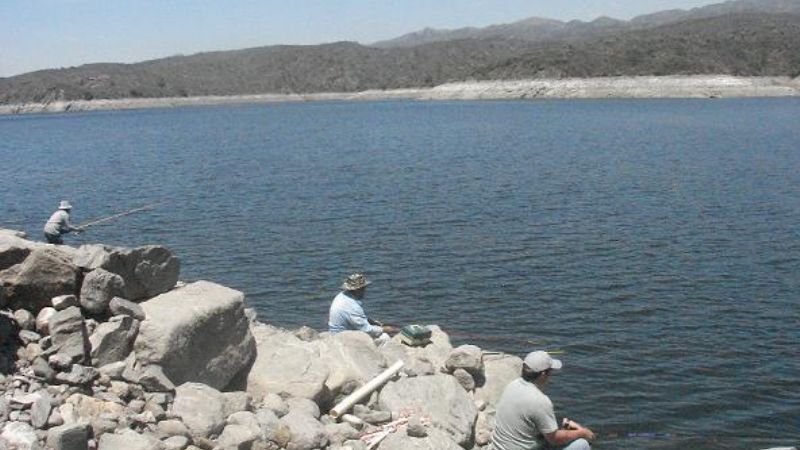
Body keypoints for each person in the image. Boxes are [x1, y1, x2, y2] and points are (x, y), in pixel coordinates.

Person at [490, 351, 595, 450]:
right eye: (551, 372)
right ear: (543, 374)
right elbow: (555, 439)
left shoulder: (513, 385)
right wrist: (582, 432)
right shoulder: (540, 401)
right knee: (583, 443)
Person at [328, 273, 395, 338]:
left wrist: (374, 323)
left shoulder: (343, 295)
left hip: (335, 331)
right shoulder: (352, 306)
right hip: (341, 336)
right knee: (385, 337)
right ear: (358, 290)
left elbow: (356, 318)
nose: (365, 291)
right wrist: (384, 329)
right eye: (364, 288)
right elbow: (365, 329)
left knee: (375, 324)